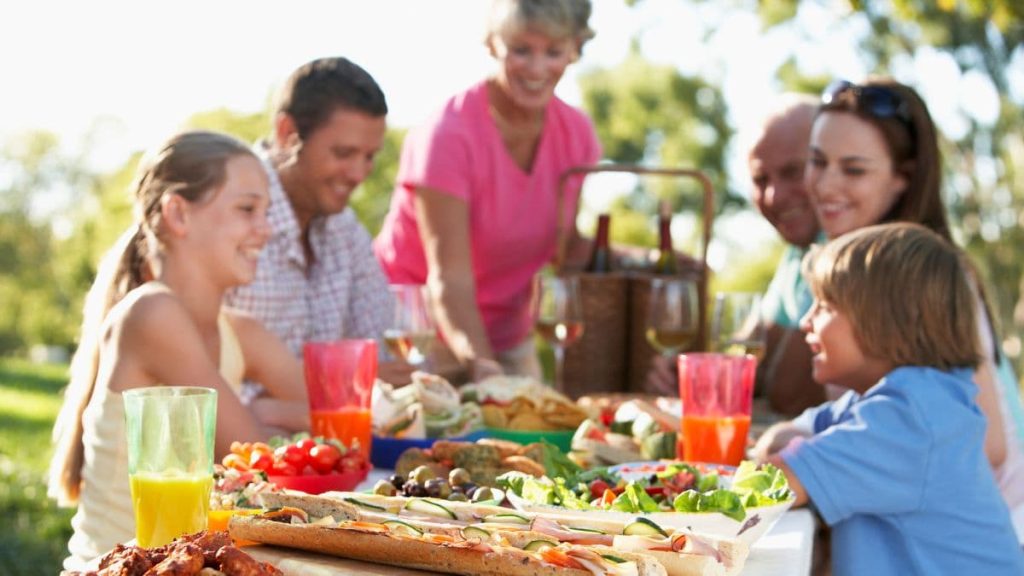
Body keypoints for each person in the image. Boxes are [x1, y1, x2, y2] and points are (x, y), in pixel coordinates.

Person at [48, 131, 308, 570]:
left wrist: (262, 409)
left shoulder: (239, 331)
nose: (267, 229)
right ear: (178, 214)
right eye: (247, 209)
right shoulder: (153, 314)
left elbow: (332, 419)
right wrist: (260, 420)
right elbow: (263, 468)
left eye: (266, 211)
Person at [760, 223, 1023, 575]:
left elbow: (775, 481)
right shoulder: (896, 399)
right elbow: (793, 435)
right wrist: (788, 446)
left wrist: (786, 453)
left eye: (824, 306)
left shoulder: (912, 416)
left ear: (887, 319)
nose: (806, 321)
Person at [372, 0, 603, 383]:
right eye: (521, 49)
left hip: (507, 333)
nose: (536, 67)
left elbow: (566, 247)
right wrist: (483, 367)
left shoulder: (577, 135)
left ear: (575, 49)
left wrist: (649, 261)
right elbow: (448, 280)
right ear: (493, 45)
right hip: (414, 332)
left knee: (534, 435)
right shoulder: (448, 135)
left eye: (553, 52)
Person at [224, 56, 413, 385]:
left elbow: (385, 352)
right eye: (343, 153)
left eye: (369, 156)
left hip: (324, 434)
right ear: (287, 133)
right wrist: (351, 379)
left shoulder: (344, 228)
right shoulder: (223, 211)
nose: (358, 174)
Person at [645, 94, 822, 410]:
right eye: (760, 179)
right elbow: (753, 350)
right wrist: (694, 374)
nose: (774, 195)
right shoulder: (798, 254)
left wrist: (721, 376)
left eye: (793, 172)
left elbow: (789, 390)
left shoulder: (844, 253)